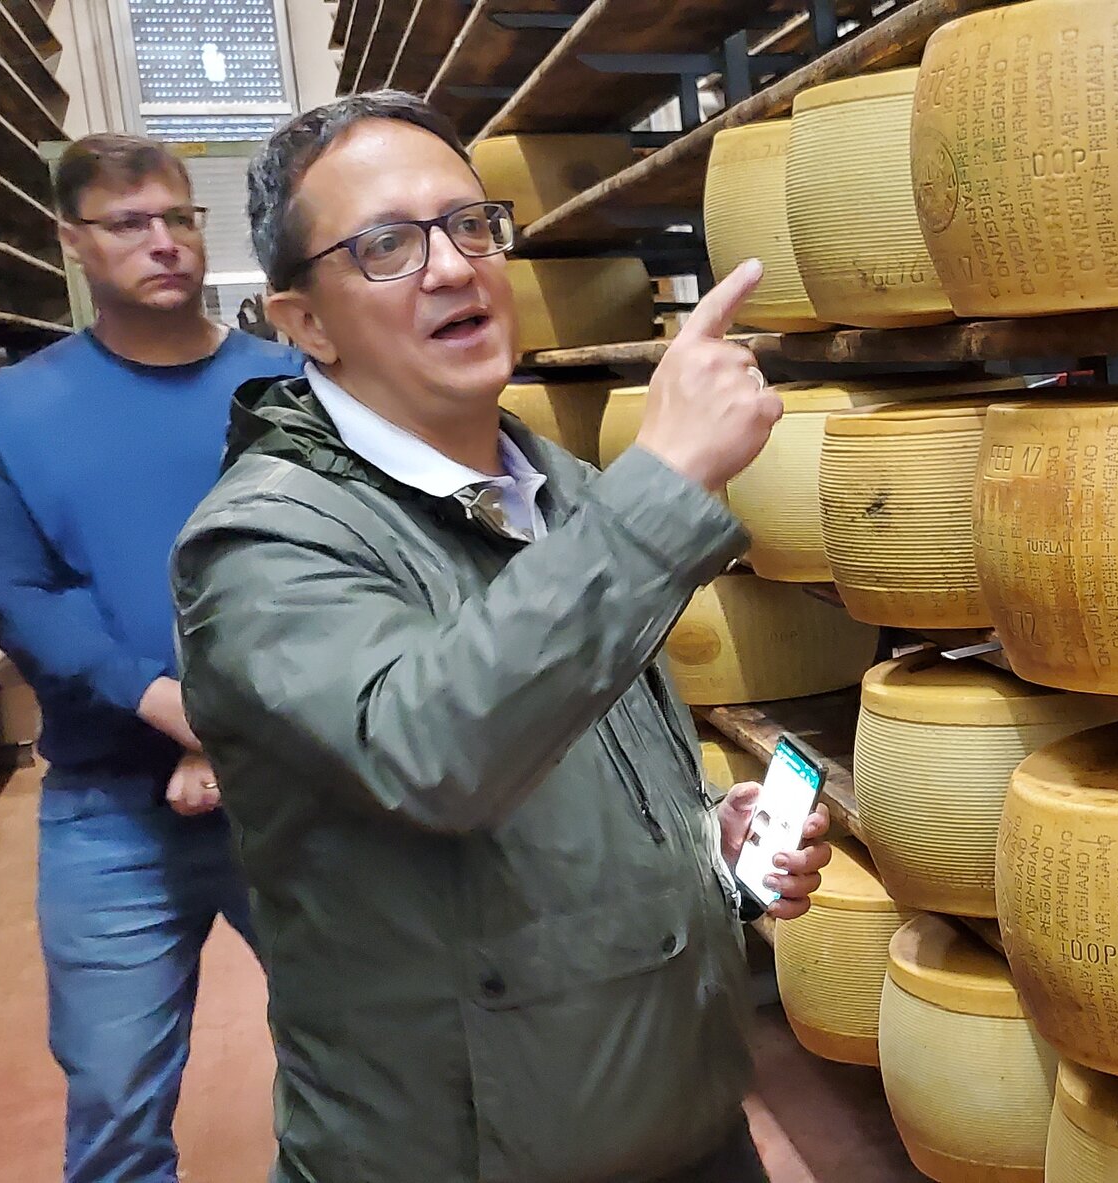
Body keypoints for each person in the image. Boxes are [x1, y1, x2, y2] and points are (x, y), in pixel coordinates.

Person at [169, 91, 831, 1182]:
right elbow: (437, 751)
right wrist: (663, 481)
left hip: (686, 1123)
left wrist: (698, 844)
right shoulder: (260, 547)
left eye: (468, 224)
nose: (448, 266)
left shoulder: (557, 493)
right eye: (385, 245)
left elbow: (562, 754)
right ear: (304, 322)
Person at [0, 132, 302, 1181]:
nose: (166, 244)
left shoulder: (286, 388)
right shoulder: (8, 412)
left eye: (181, 218)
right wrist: (164, 704)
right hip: (109, 811)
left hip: (295, 791)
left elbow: (321, 572)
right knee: (114, 1101)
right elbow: (18, 590)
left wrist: (230, 725)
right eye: (130, 225)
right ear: (73, 242)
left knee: (365, 1058)